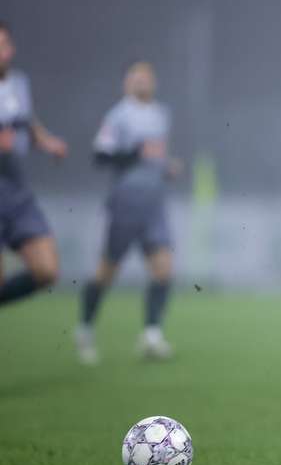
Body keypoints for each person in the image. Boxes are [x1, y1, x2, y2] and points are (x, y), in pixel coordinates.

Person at [74, 62, 181, 364]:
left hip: (154, 203)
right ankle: (85, 328)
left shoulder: (161, 114)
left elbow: (156, 156)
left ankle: (151, 334)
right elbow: (101, 155)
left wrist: (166, 167)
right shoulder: (119, 115)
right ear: (126, 83)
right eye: (136, 78)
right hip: (126, 203)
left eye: (146, 77)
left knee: (163, 269)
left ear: (154, 82)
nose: (141, 82)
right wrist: (135, 153)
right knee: (107, 271)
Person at [0, 21, 68, 307]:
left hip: (15, 189)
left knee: (47, 270)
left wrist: (47, 141)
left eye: (2, 44)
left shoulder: (18, 85)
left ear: (11, 49)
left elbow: (27, 122)